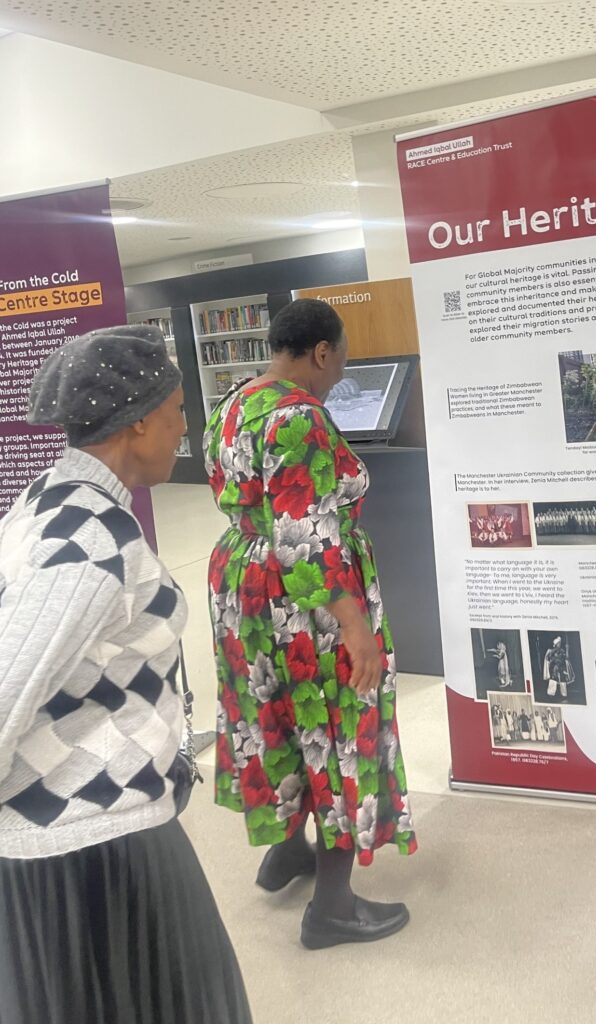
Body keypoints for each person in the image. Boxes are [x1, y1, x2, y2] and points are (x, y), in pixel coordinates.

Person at [0, 325, 251, 1024]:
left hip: (91, 826)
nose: (184, 425)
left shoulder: (52, 499)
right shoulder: (91, 541)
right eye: (175, 408)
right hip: (89, 841)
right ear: (139, 420)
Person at [203, 298, 416, 950]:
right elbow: (306, 537)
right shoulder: (302, 420)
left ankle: (287, 850)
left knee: (279, 717)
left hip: (244, 589)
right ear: (322, 352)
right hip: (307, 606)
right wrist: (355, 628)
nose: (341, 371)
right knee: (337, 726)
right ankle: (332, 906)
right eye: (342, 357)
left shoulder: (235, 403)